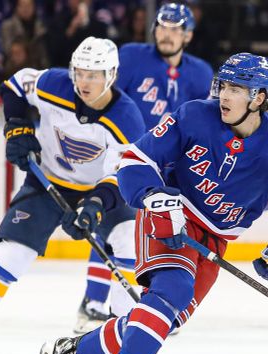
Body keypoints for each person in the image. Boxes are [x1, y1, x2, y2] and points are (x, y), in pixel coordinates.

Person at [30, 53, 268, 354]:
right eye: (223, 85)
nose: (224, 95)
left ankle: (72, 352)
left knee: (156, 319)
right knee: (173, 290)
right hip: (171, 216)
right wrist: (154, 197)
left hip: (216, 238)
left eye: (237, 89)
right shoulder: (193, 115)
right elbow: (136, 159)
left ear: (260, 98)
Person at [0, 37, 145, 354]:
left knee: (127, 242)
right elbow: (15, 86)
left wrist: (93, 206)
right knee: (13, 250)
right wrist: (18, 126)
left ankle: (116, 335)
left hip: (104, 191)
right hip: (49, 180)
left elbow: (122, 176)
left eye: (94, 75)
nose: (84, 81)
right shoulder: (52, 83)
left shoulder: (127, 118)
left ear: (112, 75)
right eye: (80, 72)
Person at [75, 2, 214, 332]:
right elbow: (106, 98)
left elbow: (207, 122)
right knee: (113, 224)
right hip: (131, 157)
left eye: (176, 28)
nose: (167, 34)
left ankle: (158, 303)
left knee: (164, 232)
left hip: (174, 166)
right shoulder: (133, 56)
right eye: (163, 26)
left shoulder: (201, 72)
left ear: (188, 34)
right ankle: (93, 303)